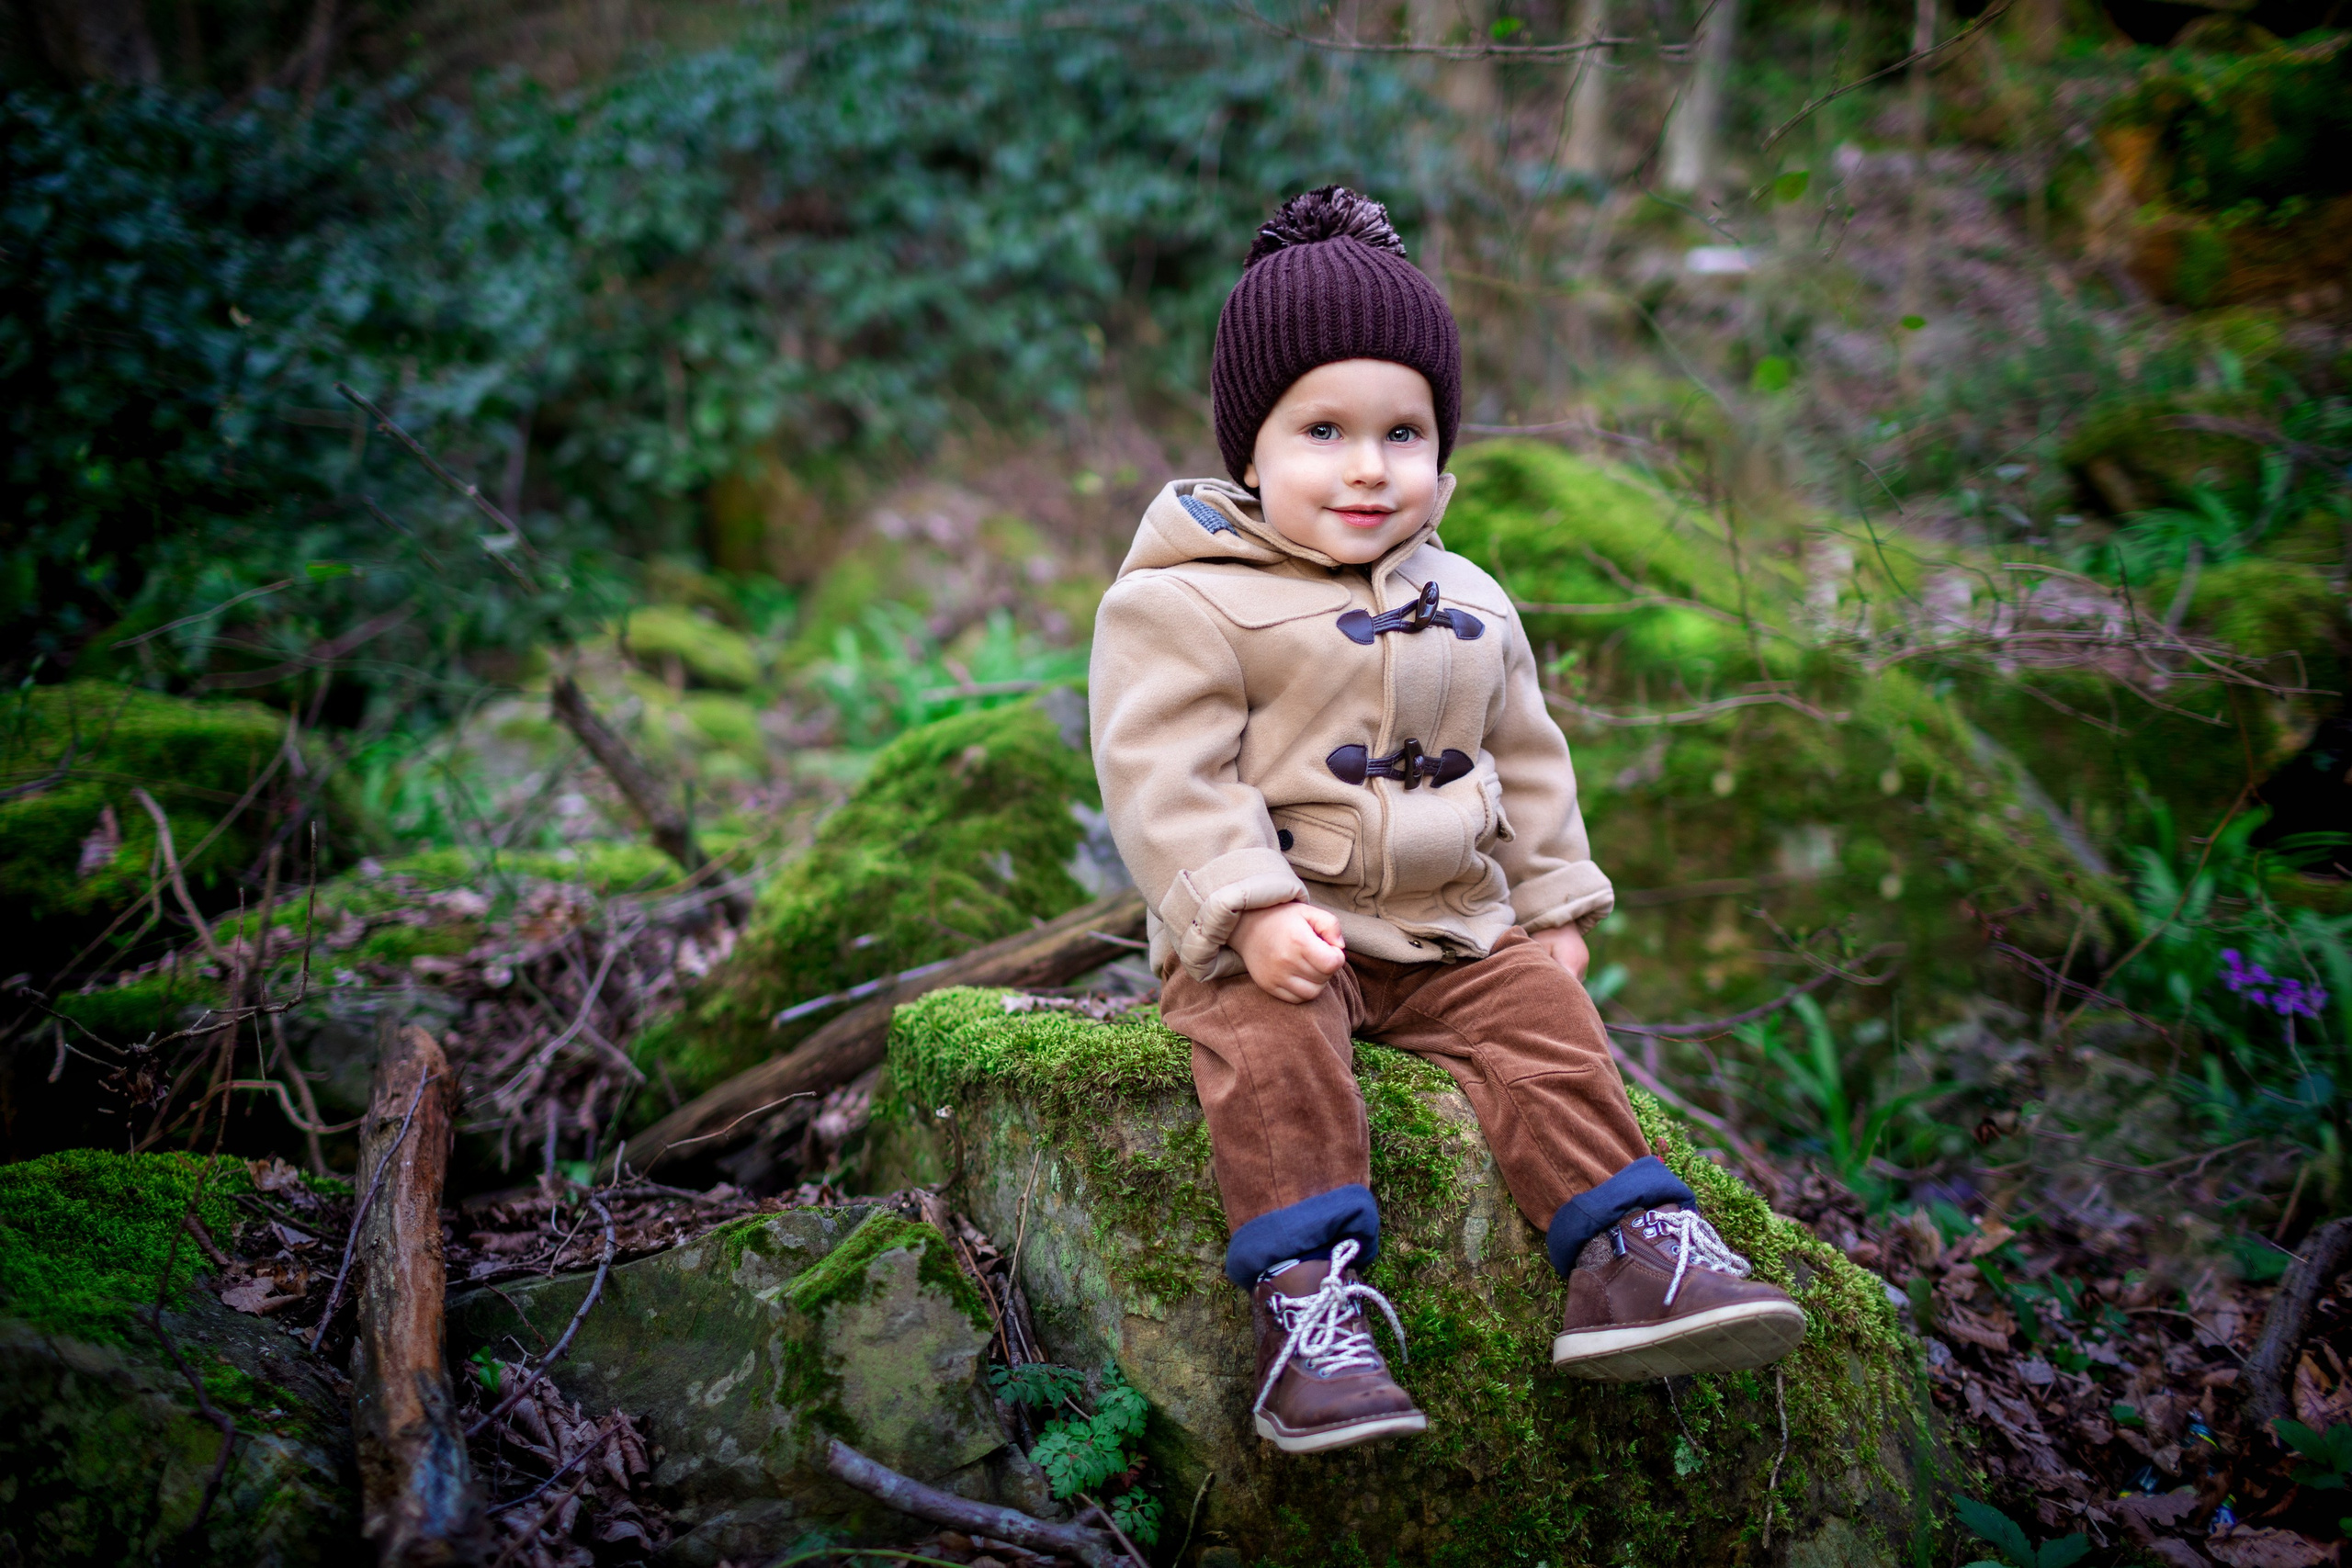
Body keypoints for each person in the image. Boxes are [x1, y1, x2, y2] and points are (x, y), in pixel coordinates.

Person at [1086, 186, 1804, 1456]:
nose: (1368, 467)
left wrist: (1552, 908)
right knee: (1270, 1051)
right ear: (1248, 450)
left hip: (1446, 930)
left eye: (1403, 432)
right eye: (1322, 428)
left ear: (1444, 452)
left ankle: (1633, 1251)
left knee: (1546, 1021)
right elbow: (1166, 774)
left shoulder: (1469, 595)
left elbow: (1527, 758)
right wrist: (1247, 913)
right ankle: (1310, 1310)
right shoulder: (1179, 599)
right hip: (1283, 935)